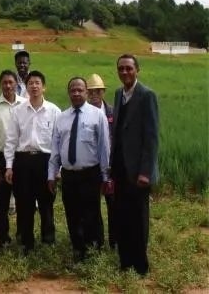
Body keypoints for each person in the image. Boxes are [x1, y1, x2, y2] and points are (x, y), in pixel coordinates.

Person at [48, 77, 111, 262]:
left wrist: (106, 176)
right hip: (69, 175)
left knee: (91, 212)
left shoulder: (97, 115)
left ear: (86, 92)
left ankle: (95, 248)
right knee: (72, 212)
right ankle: (78, 248)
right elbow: (55, 149)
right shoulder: (61, 118)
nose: (76, 93)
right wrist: (51, 174)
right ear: (69, 93)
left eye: (80, 90)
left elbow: (104, 148)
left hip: (90, 173)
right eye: (73, 90)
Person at [111, 54, 159, 275]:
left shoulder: (147, 95)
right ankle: (125, 261)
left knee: (138, 218)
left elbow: (151, 138)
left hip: (139, 171)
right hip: (120, 168)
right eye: (121, 69)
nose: (125, 72)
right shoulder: (118, 94)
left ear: (137, 70)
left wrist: (145, 172)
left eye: (129, 68)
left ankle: (140, 265)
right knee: (122, 215)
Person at [4, 70, 60, 254]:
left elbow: (58, 142)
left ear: (44, 87)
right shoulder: (18, 111)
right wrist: (9, 166)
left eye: (37, 83)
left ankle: (48, 241)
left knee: (46, 203)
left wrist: (57, 169)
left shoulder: (54, 111)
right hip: (23, 161)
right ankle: (26, 242)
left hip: (45, 161)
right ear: (26, 88)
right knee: (24, 203)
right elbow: (11, 140)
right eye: (30, 83)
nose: (34, 86)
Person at [0, 69, 26, 249]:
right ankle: (3, 239)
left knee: (23, 201)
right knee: (1, 204)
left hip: (22, 158)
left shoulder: (25, 104)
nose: (8, 86)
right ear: (0, 85)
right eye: (4, 83)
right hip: (2, 158)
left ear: (16, 84)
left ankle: (22, 236)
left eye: (11, 82)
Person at [86, 73, 116, 249]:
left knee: (113, 204)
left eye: (97, 91)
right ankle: (96, 241)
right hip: (91, 167)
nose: (94, 95)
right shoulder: (82, 113)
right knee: (92, 205)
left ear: (103, 92)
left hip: (111, 167)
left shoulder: (112, 112)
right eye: (90, 91)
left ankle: (115, 241)